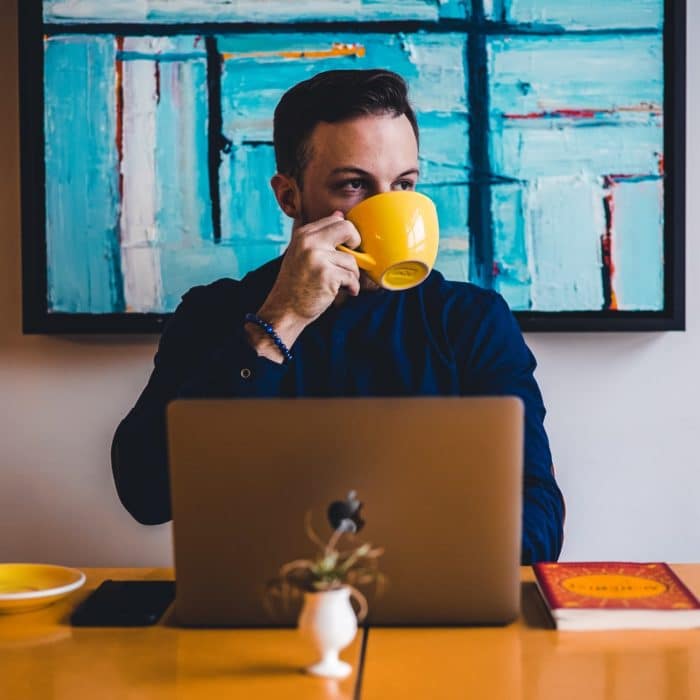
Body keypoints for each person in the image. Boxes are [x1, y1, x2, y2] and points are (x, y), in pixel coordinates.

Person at [111, 69, 565, 564]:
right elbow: (146, 493)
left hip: (432, 616)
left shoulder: (470, 322)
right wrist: (276, 323)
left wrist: (420, 562)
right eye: (354, 185)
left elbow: (538, 513)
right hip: (259, 618)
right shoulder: (215, 314)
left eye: (404, 184)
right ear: (289, 196)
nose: (388, 208)